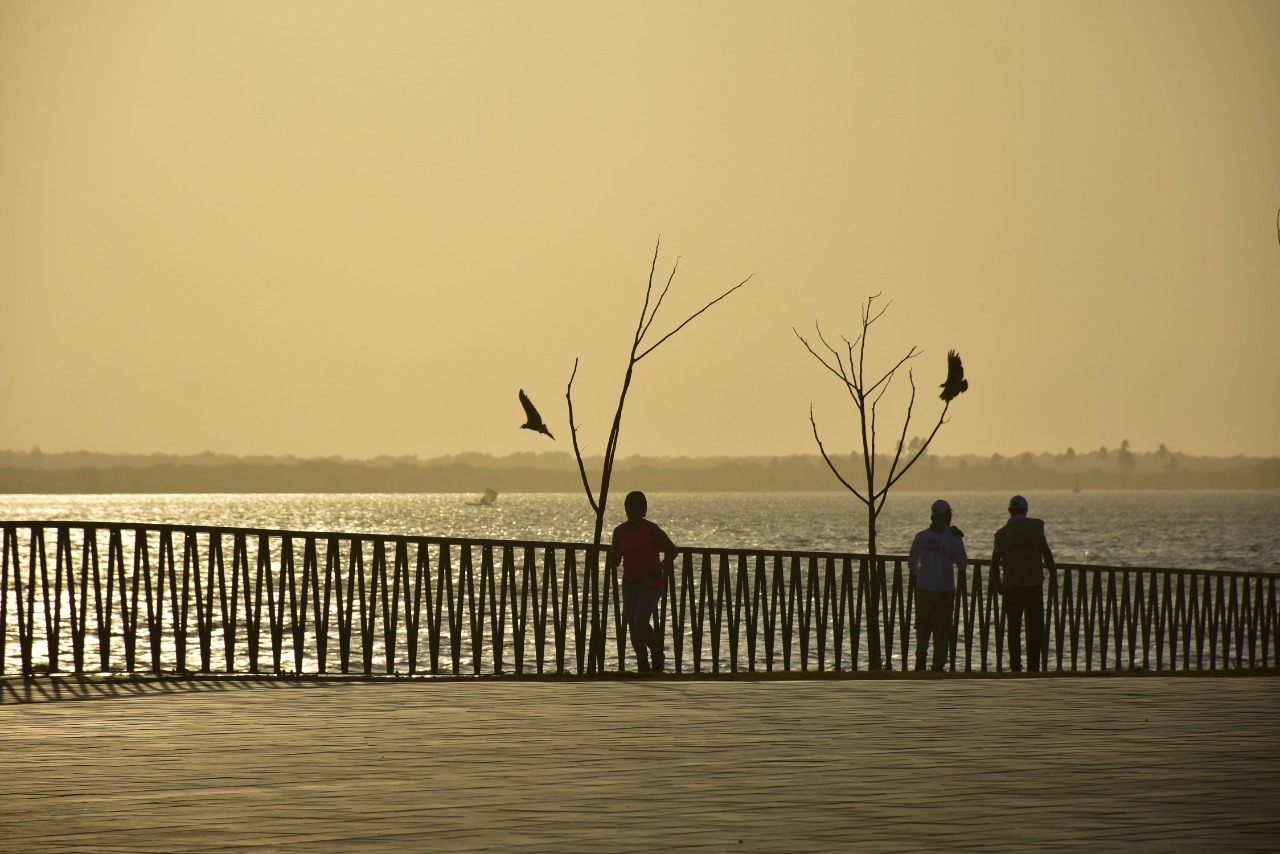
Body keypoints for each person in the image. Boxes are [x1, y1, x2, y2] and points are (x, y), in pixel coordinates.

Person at [606, 491, 678, 673]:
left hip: (650, 583)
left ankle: (656, 652)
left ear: (642, 509)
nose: (629, 508)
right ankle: (642, 664)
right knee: (632, 625)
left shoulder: (651, 529)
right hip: (630, 583)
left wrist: (661, 566)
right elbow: (615, 559)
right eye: (627, 504)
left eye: (633, 504)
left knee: (640, 620)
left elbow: (672, 550)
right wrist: (612, 559)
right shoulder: (619, 531)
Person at [991, 494, 1057, 672]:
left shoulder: (1001, 535)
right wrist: (1053, 575)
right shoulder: (1036, 526)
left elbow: (994, 565)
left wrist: (999, 587)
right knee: (1035, 627)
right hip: (1034, 584)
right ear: (1026, 511)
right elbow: (1046, 551)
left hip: (1012, 587)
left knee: (1013, 629)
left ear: (1009, 511)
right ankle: (1034, 666)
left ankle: (1015, 667)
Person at [907, 499, 968, 672]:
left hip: (924, 588)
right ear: (948, 515)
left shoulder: (921, 536)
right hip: (945, 590)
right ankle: (938, 664)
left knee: (922, 625)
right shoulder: (954, 537)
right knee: (942, 628)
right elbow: (963, 564)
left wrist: (924, 575)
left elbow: (912, 563)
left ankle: (920, 658)